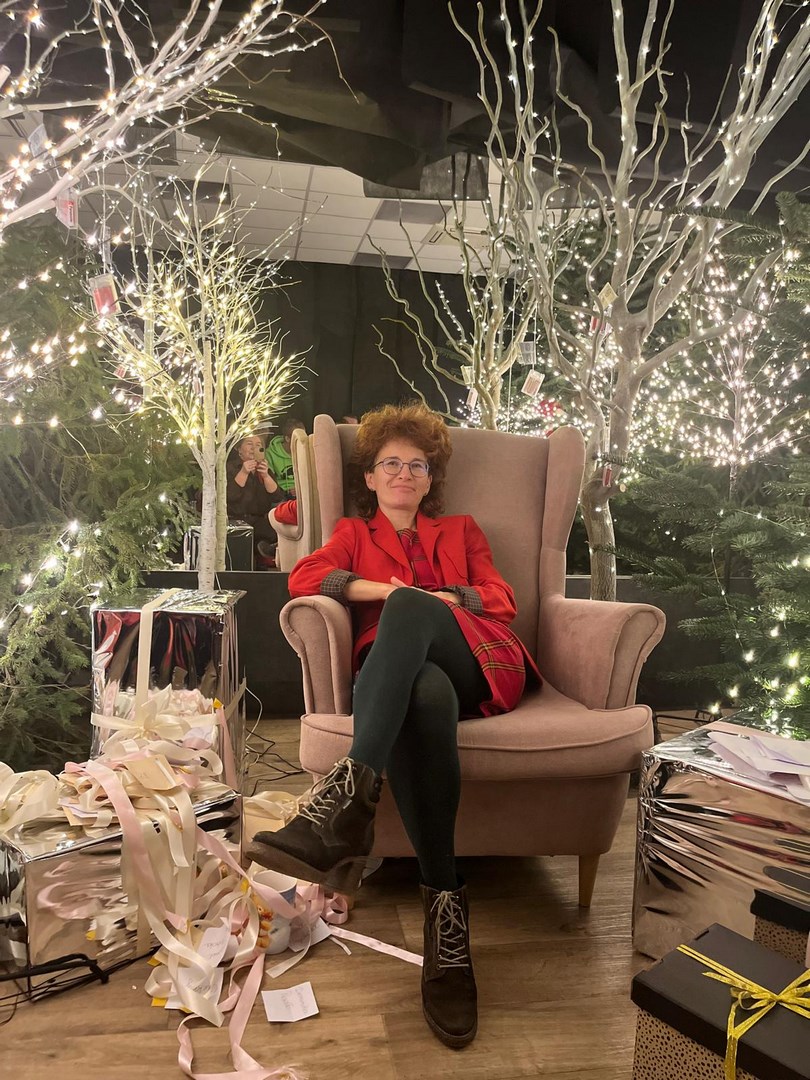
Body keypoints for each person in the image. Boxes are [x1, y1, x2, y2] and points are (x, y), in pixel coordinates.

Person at [246, 402, 539, 1048]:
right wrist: (386, 593)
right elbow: (306, 574)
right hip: (400, 681)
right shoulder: (353, 533)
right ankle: (445, 913)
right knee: (423, 694)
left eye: (417, 465)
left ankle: (346, 802)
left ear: (431, 479)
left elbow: (502, 599)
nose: (404, 474)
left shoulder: (461, 531)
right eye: (391, 464)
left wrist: (438, 600)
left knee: (419, 628)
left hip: (475, 659)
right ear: (370, 477)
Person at [227, 434, 285, 565]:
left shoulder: (263, 470)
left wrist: (265, 476)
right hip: (236, 521)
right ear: (239, 449)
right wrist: (244, 472)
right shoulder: (230, 468)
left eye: (258, 445)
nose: (254, 448)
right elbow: (230, 496)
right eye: (249, 444)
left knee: (278, 528)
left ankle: (268, 550)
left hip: (259, 520)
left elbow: (277, 496)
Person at [265, 416, 305, 496]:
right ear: (287, 439)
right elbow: (269, 480)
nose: (302, 442)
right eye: (298, 439)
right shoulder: (270, 453)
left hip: (304, 491)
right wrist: (287, 491)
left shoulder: (306, 450)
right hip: (282, 494)